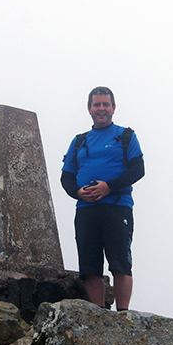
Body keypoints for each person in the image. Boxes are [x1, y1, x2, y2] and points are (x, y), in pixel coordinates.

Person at [60, 86, 145, 311]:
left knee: (120, 263)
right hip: (86, 210)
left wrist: (109, 187)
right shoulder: (79, 141)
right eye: (97, 104)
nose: (101, 109)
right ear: (89, 108)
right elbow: (67, 177)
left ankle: (124, 314)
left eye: (105, 104)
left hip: (117, 207)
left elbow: (138, 169)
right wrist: (78, 192)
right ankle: (98, 314)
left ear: (113, 108)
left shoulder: (126, 135)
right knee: (89, 267)